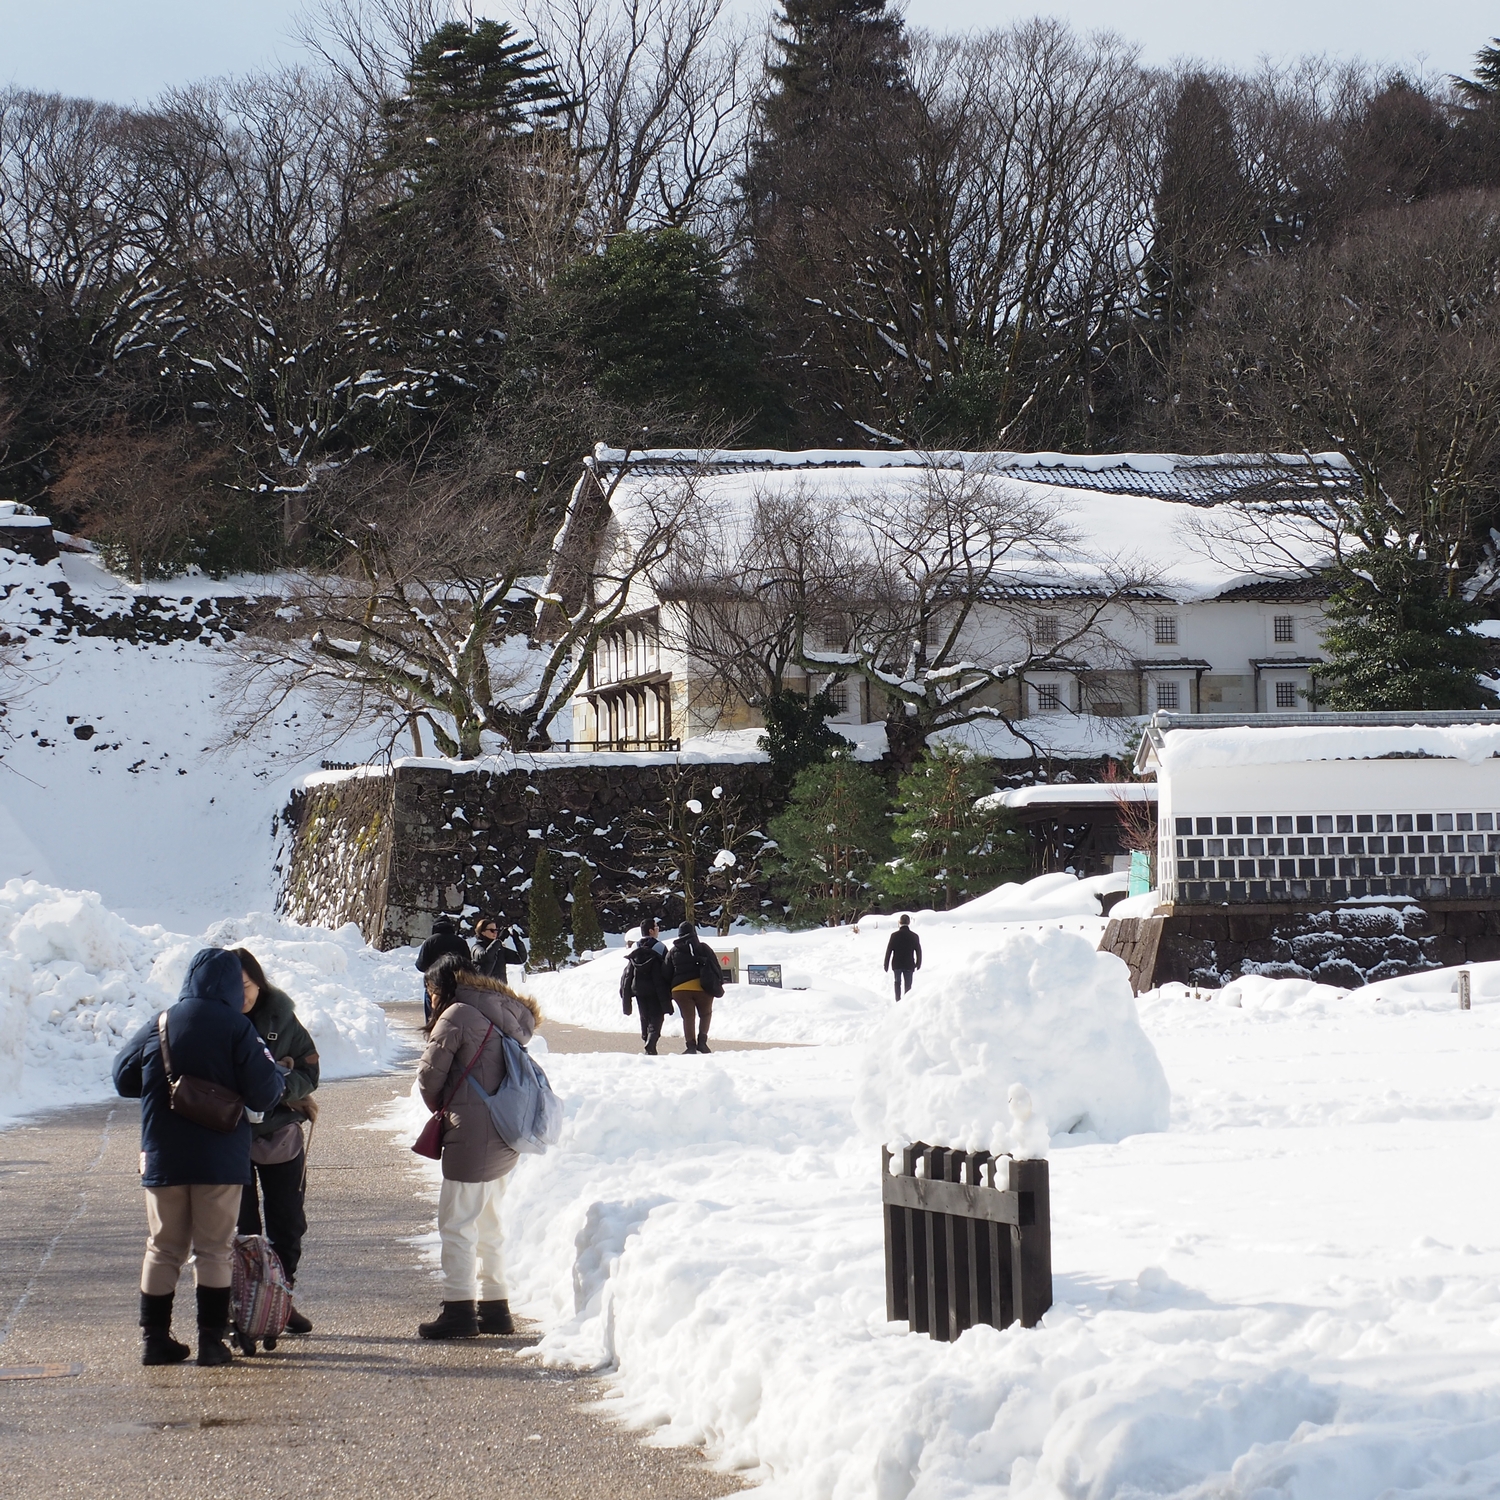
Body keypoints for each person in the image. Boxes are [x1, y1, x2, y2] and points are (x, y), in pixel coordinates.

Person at [112, 947, 285, 1367]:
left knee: (162, 1248)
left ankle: (155, 1340)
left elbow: (123, 1077)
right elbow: (265, 1092)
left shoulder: (161, 1022)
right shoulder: (238, 1028)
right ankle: (211, 1342)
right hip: (218, 1159)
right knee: (213, 1250)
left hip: (163, 1156)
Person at [416, 951, 540, 1339]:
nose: (431, 997)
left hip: (471, 1135)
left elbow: (428, 1078)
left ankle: (459, 1309)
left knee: (456, 1224)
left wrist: (446, 1107)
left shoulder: (457, 1014)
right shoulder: (499, 1011)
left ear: (442, 986)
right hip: (503, 1131)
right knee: (489, 1223)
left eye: (431, 989)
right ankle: (495, 1307)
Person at [233, 948, 319, 1350]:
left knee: (288, 1221)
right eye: (232, 988)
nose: (241, 996)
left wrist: (281, 1087)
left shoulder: (280, 1016)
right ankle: (246, 1306)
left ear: (259, 983)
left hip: (279, 1129)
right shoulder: (218, 1020)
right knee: (244, 1228)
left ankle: (281, 1299)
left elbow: (310, 1069)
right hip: (231, 1134)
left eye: (246, 986)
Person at [666, 922, 725, 1054]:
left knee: (688, 1017)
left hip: (680, 989)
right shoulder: (704, 948)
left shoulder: (673, 951)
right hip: (703, 987)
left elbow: (666, 972)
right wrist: (719, 982)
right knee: (705, 1014)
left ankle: (691, 1046)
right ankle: (702, 1043)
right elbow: (715, 966)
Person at [619, 916, 670, 1055]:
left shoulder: (635, 948)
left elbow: (629, 970)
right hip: (655, 987)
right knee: (657, 1016)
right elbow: (667, 968)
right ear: (651, 931)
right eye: (656, 927)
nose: (658, 930)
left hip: (638, 988)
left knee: (644, 1015)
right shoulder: (660, 947)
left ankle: (646, 1039)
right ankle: (651, 1042)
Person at [414, 915, 470, 1024]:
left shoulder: (429, 941)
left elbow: (421, 966)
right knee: (454, 1018)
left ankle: (432, 1031)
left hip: (434, 985)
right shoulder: (460, 942)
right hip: (455, 985)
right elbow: (467, 965)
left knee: (432, 1017)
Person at [471, 916, 527, 984]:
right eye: (492, 930)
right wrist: (499, 940)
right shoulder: (476, 947)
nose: (495, 933)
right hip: (485, 988)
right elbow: (486, 956)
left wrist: (517, 940)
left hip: (501, 988)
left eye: (496, 930)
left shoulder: (499, 949)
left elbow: (521, 958)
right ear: (483, 932)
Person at [884, 914, 922, 1001]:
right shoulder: (914, 936)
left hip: (897, 964)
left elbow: (889, 950)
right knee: (908, 985)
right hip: (909, 964)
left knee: (897, 983)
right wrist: (918, 963)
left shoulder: (894, 935)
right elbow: (918, 951)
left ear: (899, 922)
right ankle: (906, 1001)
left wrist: (886, 964)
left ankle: (898, 1000)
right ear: (909, 922)